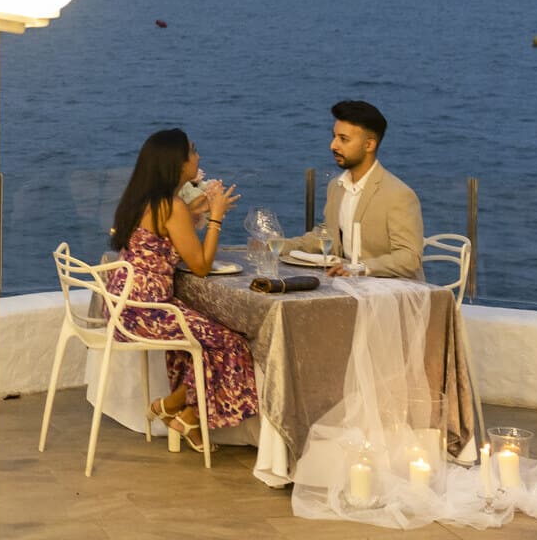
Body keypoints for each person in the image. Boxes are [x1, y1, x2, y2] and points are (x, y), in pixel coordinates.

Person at [107, 128, 259, 447]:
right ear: (178, 164)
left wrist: (199, 209)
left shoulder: (144, 200)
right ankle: (184, 412)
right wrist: (215, 218)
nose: (198, 157)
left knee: (205, 335)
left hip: (124, 307)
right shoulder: (171, 206)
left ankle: (177, 409)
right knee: (231, 343)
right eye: (193, 151)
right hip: (150, 312)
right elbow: (201, 267)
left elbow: (165, 229)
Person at [281, 100, 423, 279]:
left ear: (369, 145)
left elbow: (410, 258)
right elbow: (327, 235)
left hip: (392, 292)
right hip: (348, 285)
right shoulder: (336, 187)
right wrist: (280, 245)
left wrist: (361, 268)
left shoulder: (398, 194)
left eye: (343, 139)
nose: (333, 146)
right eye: (334, 137)